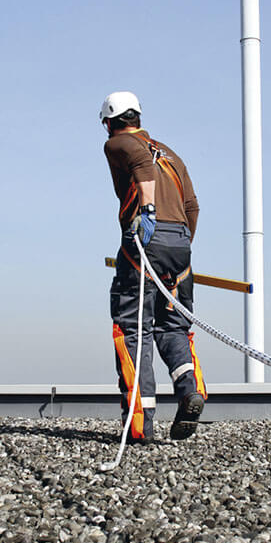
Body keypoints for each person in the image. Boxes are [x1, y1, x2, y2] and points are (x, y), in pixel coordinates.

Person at [101, 90, 206, 446]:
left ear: (110, 122)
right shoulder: (172, 155)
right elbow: (192, 206)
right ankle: (189, 390)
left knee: (133, 329)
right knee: (173, 326)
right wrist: (180, 247)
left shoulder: (118, 144)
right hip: (179, 245)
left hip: (145, 241)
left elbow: (138, 161)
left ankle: (140, 424)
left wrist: (147, 214)